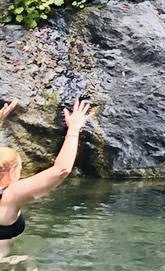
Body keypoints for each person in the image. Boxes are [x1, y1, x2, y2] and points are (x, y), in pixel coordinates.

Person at [0, 99, 96, 242]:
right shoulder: (10, 196)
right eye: (20, 167)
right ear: (11, 171)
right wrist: (74, 129)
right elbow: (61, 170)